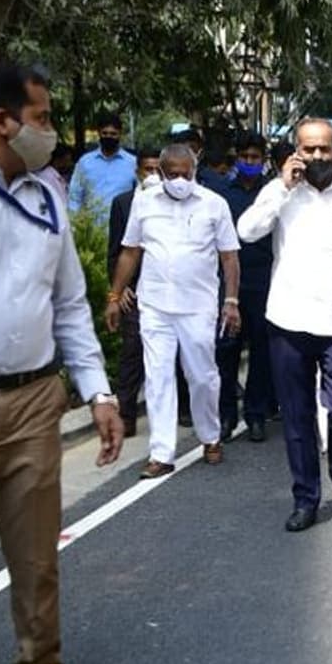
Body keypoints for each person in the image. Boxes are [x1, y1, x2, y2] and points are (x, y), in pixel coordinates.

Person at [0, 61, 123, 664]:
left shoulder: (49, 196)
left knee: (35, 558)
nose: (52, 131)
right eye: (44, 118)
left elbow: (71, 305)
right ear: (3, 122)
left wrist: (99, 391)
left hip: (33, 401)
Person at [239, 117, 332, 530]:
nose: (318, 156)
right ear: (297, 151)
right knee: (297, 417)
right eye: (309, 149)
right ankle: (306, 497)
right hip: (288, 321)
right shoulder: (279, 192)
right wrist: (281, 188)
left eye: (325, 148)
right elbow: (246, 231)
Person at [107, 141, 238, 478]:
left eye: (186, 173)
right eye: (173, 174)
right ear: (162, 173)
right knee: (158, 378)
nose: (180, 180)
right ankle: (161, 453)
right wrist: (114, 296)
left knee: (202, 376)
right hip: (155, 305)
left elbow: (228, 256)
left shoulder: (214, 204)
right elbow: (130, 251)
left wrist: (231, 301)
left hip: (198, 306)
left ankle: (210, 436)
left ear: (195, 171)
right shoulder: (144, 202)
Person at [215, 131, 276, 442]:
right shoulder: (221, 194)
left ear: (264, 160)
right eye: (245, 157)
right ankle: (226, 415)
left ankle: (256, 414)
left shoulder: (274, 193)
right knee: (226, 350)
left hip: (265, 281)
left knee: (261, 352)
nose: (250, 162)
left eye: (255, 157)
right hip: (228, 284)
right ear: (236, 158)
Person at [106, 145, 163, 435]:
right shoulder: (123, 203)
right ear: (137, 171)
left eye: (157, 170)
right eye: (147, 169)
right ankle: (126, 415)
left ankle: (182, 409)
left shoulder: (171, 201)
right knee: (132, 352)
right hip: (134, 291)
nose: (152, 175)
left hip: (163, 288)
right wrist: (119, 289)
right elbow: (116, 250)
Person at [68, 110, 137, 224]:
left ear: (120, 134)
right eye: (105, 133)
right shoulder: (85, 162)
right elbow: (74, 195)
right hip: (91, 227)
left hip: (122, 226)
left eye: (113, 134)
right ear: (99, 133)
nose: (109, 137)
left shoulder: (133, 163)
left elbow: (140, 194)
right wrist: (74, 222)